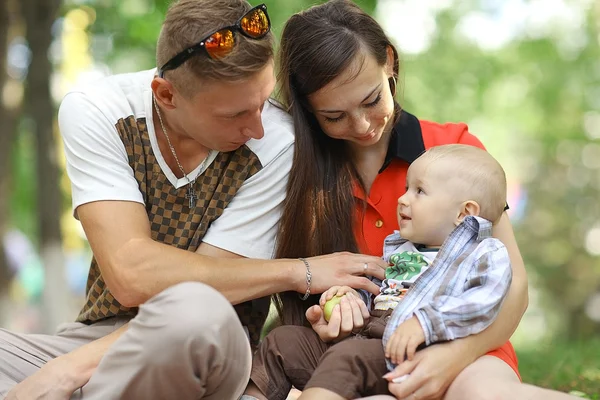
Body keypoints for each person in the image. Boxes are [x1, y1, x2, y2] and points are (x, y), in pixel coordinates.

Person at [0, 1, 387, 399]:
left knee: (194, 307)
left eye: (264, 100)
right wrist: (296, 271)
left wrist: (65, 373)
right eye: (235, 114)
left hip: (207, 348)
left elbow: (196, 295)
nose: (257, 126)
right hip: (94, 342)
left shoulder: (278, 142)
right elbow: (131, 275)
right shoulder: (98, 111)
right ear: (166, 95)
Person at [245, 1, 579, 399]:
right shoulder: (298, 173)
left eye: (371, 101)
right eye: (335, 116)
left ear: (389, 62)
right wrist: (332, 311)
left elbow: (514, 285)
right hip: (353, 358)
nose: (362, 126)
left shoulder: (453, 150)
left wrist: (455, 356)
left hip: (464, 351)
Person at [244, 144, 514, 400]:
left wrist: (425, 323)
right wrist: (349, 302)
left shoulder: (483, 254)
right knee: (284, 341)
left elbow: (484, 301)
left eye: (419, 191)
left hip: (407, 353)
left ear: (464, 212)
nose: (402, 198)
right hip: (361, 340)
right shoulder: (400, 250)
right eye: (407, 188)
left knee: (348, 357)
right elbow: (375, 291)